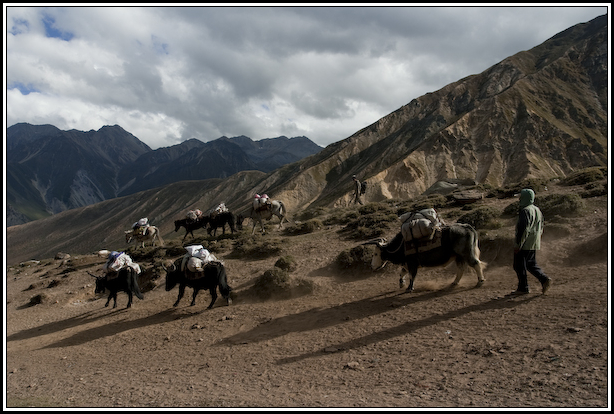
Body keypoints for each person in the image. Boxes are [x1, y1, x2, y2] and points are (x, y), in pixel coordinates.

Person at [511, 188, 551, 295]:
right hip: (533, 242)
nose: (519, 200)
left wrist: (518, 244)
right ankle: (544, 279)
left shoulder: (525, 211)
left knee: (518, 265)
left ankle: (523, 288)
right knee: (530, 264)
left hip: (525, 243)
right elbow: (541, 226)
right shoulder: (537, 210)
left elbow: (524, 230)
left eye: (521, 197)